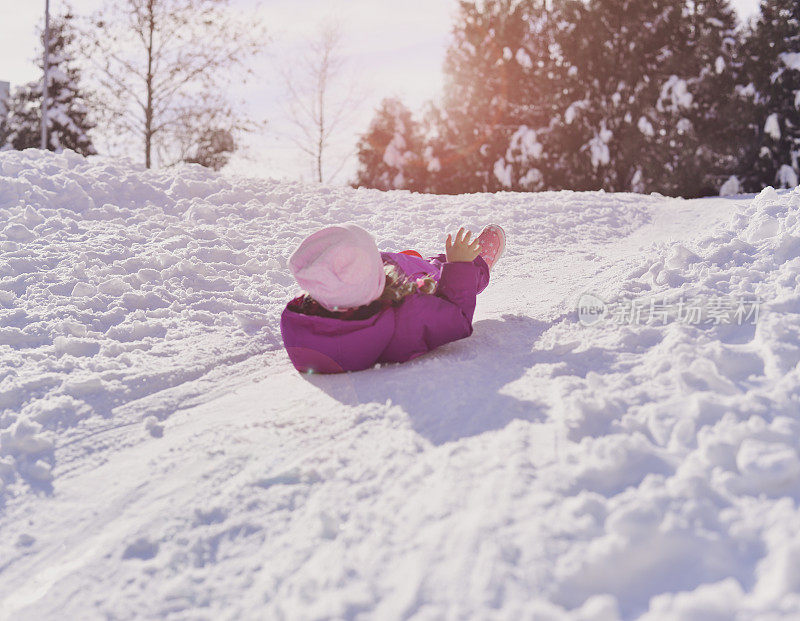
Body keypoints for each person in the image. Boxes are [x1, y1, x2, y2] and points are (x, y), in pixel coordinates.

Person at [280, 223, 506, 373]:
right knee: (431, 274)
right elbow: (456, 316)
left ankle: (411, 262)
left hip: (369, 292)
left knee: (396, 262)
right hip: (429, 285)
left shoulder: (303, 321)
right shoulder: (409, 315)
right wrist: (461, 265)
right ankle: (478, 262)